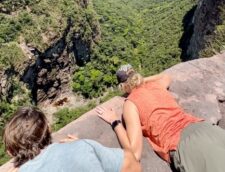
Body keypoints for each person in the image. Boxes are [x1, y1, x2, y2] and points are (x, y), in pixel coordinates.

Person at [97, 64, 225, 172]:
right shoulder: (156, 85)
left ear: (122, 87)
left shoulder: (130, 104)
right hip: (205, 129)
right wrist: (142, 80)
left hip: (183, 145)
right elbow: (167, 76)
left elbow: (135, 154)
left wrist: (114, 122)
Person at [3, 106, 141, 172]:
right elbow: (133, 164)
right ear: (49, 130)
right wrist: (78, 147)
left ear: (10, 151)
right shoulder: (84, 148)